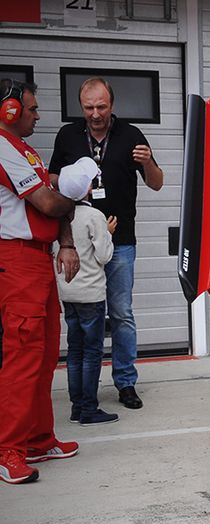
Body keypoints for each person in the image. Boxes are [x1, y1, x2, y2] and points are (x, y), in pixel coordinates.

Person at [50, 77, 163, 411]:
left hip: (121, 240)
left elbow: (157, 183)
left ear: (112, 104)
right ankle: (87, 390)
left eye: (101, 106)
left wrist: (148, 162)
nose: (95, 114)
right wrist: (71, 182)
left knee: (121, 313)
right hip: (79, 243)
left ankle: (125, 382)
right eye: (89, 107)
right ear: (80, 106)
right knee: (86, 317)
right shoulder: (68, 135)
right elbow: (52, 178)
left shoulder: (131, 135)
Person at [0, 79, 80, 485]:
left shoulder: (24, 150)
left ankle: (37, 439)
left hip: (37, 259)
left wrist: (66, 240)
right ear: (9, 110)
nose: (37, 115)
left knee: (45, 353)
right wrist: (74, 198)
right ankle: (7, 450)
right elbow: (49, 202)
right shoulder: (2, 147)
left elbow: (53, 199)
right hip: (16, 260)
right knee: (23, 355)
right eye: (31, 108)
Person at [56, 157, 119, 426]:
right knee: (92, 352)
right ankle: (89, 409)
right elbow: (104, 256)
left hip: (68, 293)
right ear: (88, 189)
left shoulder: (59, 215)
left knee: (75, 350)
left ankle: (76, 407)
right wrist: (108, 232)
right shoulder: (94, 216)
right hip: (91, 294)